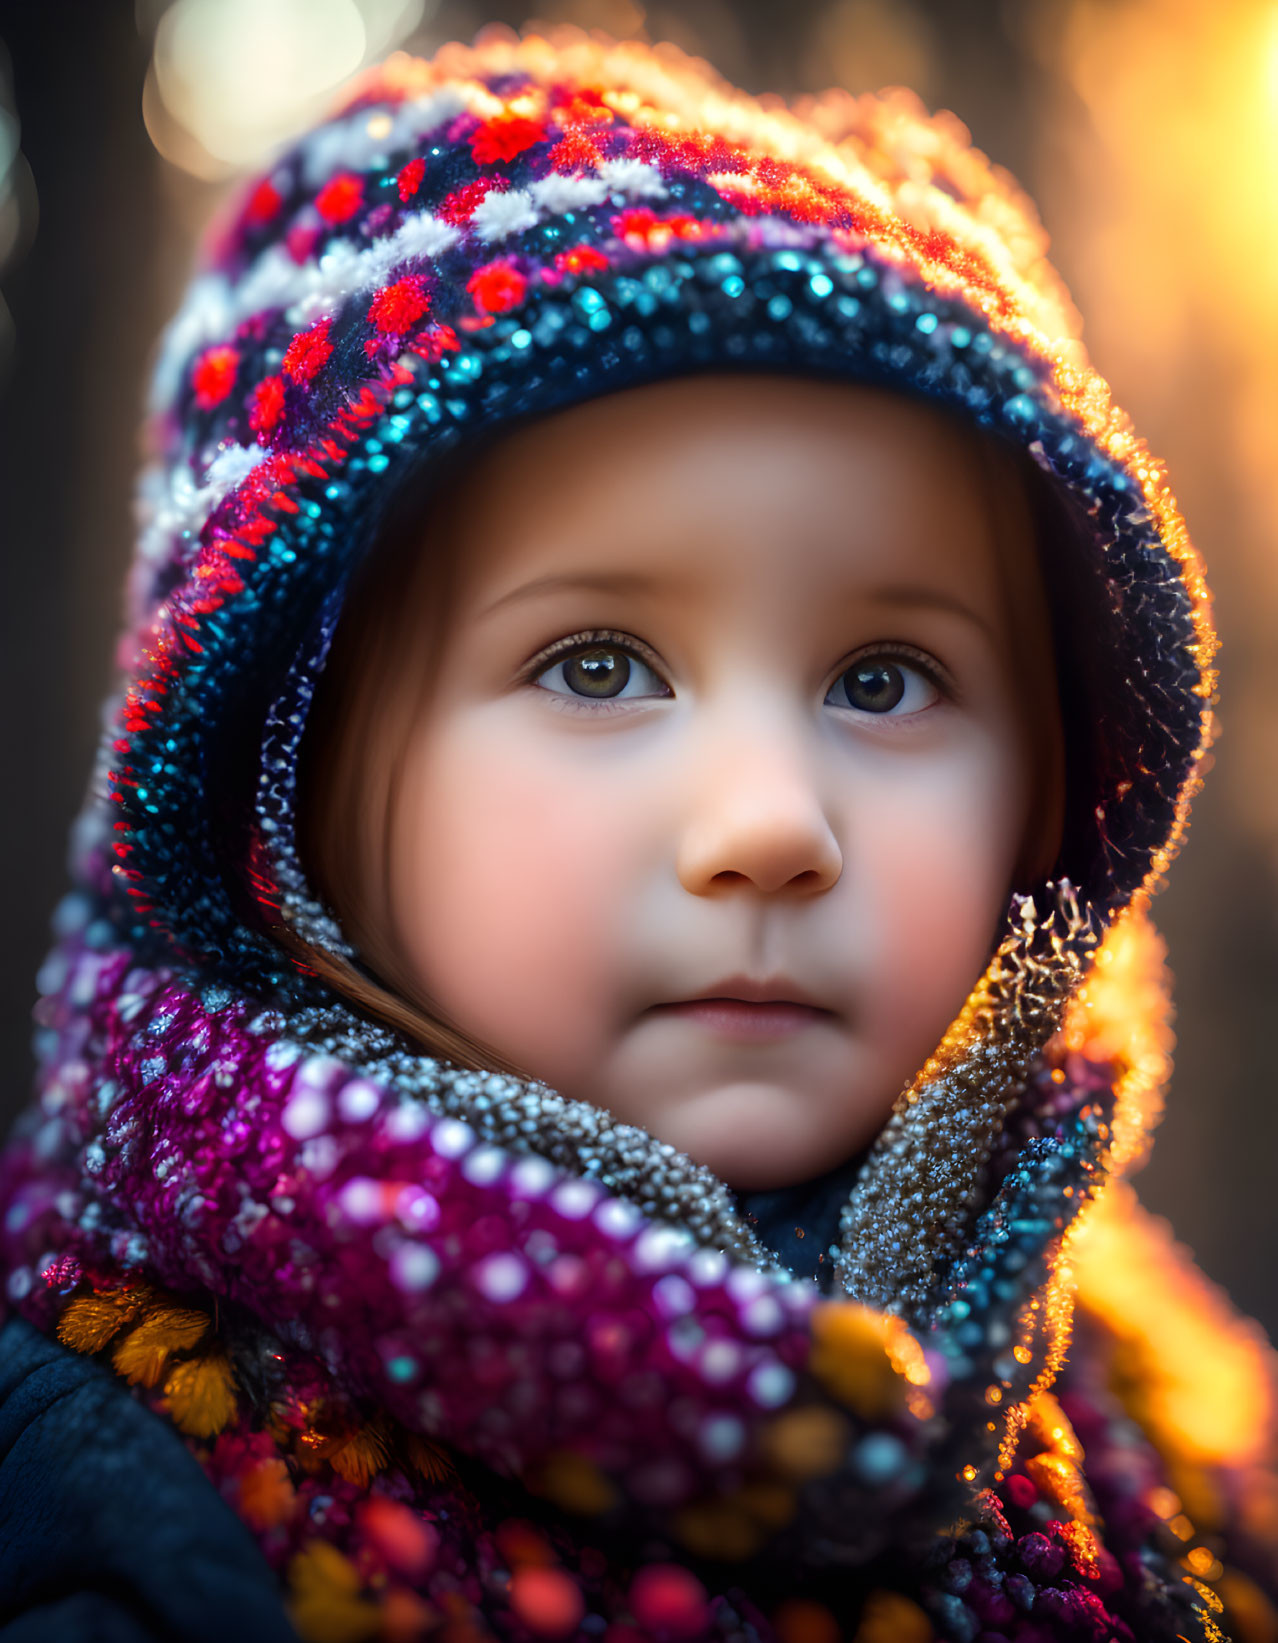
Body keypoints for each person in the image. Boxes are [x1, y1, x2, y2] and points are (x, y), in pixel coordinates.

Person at [0, 24, 1274, 1643]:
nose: (766, 826)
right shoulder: (123, 1497)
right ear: (289, 780)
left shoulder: (1167, 1416)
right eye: (596, 665)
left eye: (884, 679)